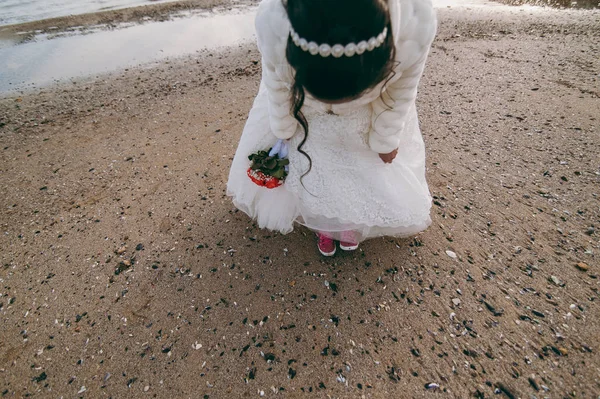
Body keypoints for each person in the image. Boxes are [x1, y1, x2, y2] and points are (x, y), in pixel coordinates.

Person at [227, 0, 437, 256]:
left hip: (365, 114)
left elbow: (401, 90)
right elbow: (277, 83)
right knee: (316, 164)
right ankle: (324, 222)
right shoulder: (273, 22)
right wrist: (284, 127)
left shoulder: (416, 23)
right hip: (307, 112)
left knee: (360, 165)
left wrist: (387, 138)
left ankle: (349, 220)